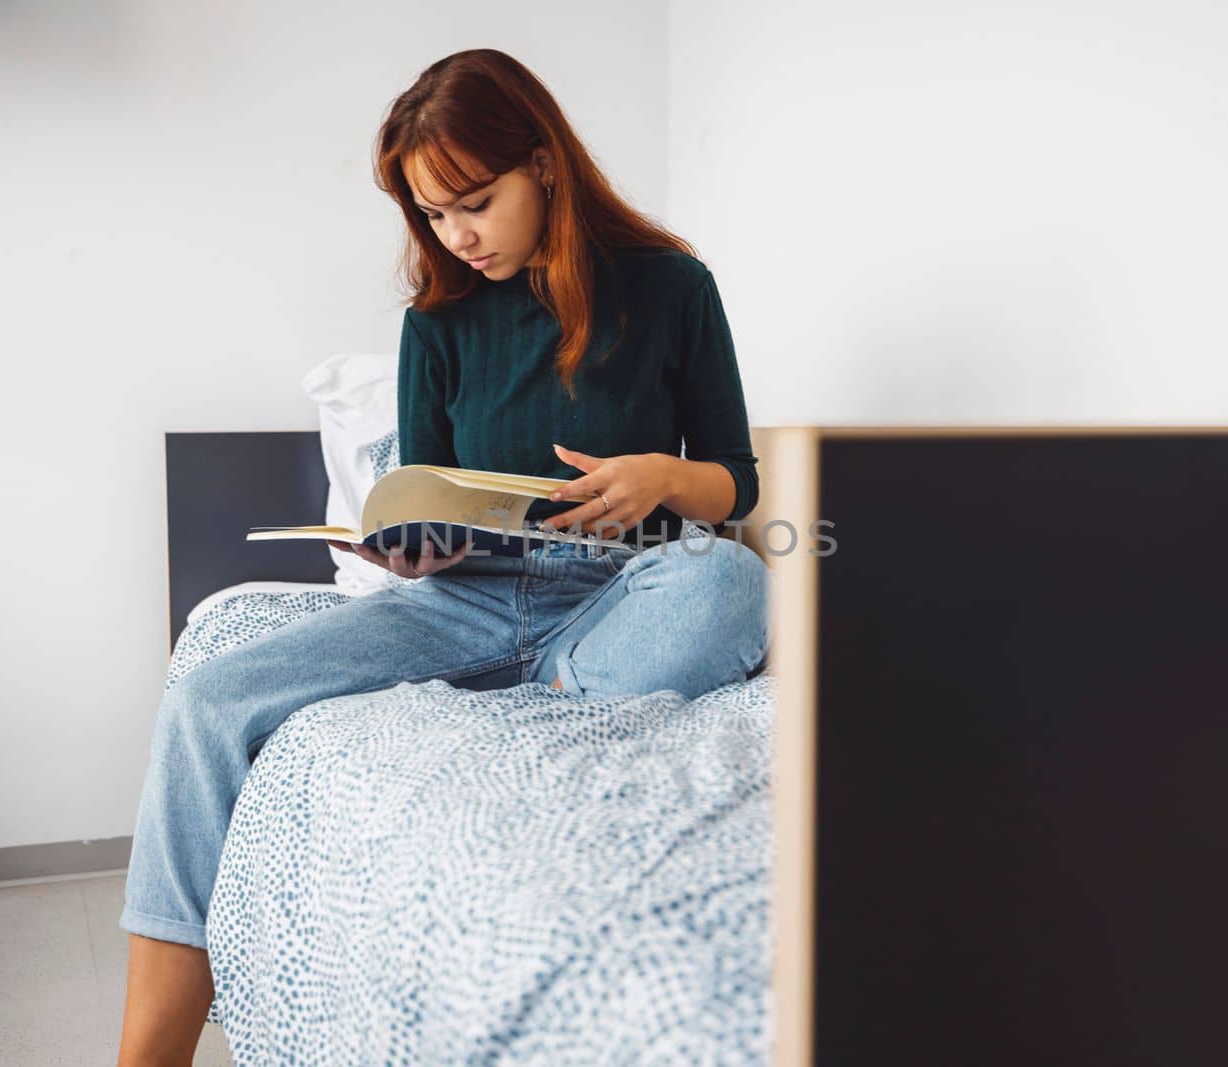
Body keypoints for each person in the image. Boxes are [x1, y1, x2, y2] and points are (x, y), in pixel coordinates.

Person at [115, 48, 769, 1065]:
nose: (455, 235)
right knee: (208, 699)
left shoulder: (672, 286)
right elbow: (416, 493)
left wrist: (661, 477)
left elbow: (737, 477)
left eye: (473, 202)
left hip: (620, 590)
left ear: (544, 164)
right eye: (431, 216)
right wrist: (409, 545)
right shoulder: (438, 320)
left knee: (727, 575)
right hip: (460, 598)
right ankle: (149, 1046)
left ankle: (547, 690)